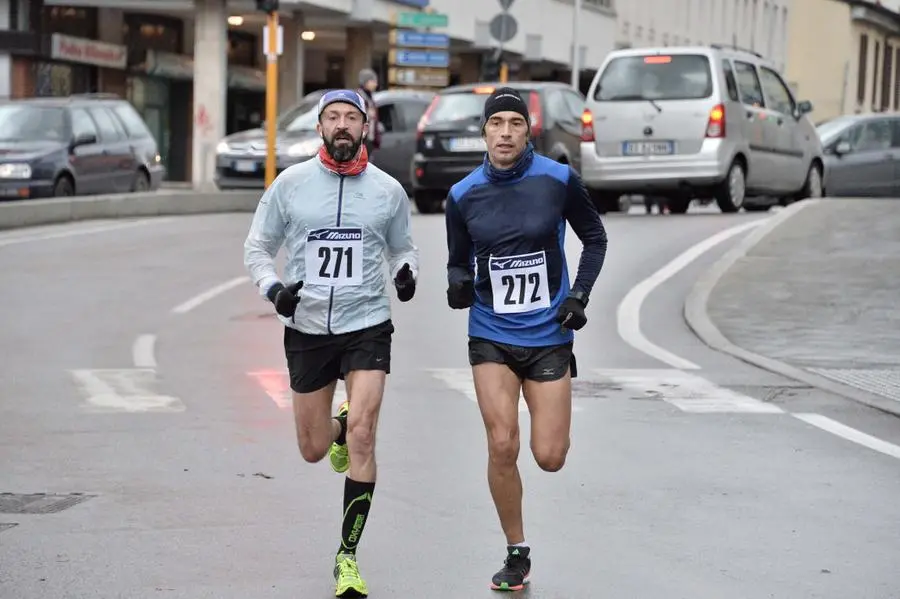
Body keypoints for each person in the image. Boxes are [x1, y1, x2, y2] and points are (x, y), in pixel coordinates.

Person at [243, 88, 419, 598]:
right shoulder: (291, 185)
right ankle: (335, 427)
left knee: (365, 437)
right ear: (320, 127)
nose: (342, 125)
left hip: (367, 322)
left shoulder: (387, 190)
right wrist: (274, 289)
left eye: (351, 117)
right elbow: (258, 246)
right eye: (333, 117)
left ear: (365, 128)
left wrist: (405, 274)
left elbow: (403, 248)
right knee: (313, 448)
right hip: (308, 327)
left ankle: (347, 557)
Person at [444, 87, 608, 592]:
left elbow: (595, 238)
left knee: (550, 456)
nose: (506, 132)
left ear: (527, 130)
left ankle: (545, 458)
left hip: (548, 333)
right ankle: (516, 551)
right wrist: (457, 284)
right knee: (501, 442)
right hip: (490, 330)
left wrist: (578, 295)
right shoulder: (462, 195)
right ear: (485, 132)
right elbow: (457, 259)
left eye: (516, 123)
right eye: (498, 124)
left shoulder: (557, 181)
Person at [357, 68, 381, 156]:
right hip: (361, 141)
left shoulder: (370, 98)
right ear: (365, 82)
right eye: (373, 81)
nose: (376, 84)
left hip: (369, 140)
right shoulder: (359, 98)